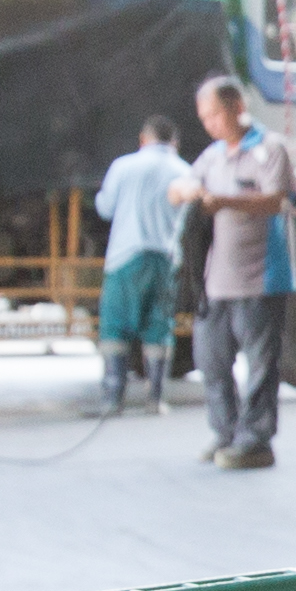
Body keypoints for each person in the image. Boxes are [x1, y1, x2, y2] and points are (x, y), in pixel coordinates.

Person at [186, 71, 296, 471]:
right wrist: (187, 192)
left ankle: (256, 440)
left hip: (261, 277)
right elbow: (184, 184)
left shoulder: (270, 149)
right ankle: (225, 432)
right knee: (212, 361)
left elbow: (274, 200)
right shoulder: (213, 156)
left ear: (238, 108)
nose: (209, 124)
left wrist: (226, 202)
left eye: (215, 115)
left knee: (261, 364)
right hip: (217, 281)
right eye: (204, 118)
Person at [90, 113, 190, 415]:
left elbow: (105, 208)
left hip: (125, 258)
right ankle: (155, 398)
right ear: (174, 142)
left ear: (143, 140)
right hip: (165, 258)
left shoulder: (124, 166)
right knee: (159, 327)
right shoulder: (184, 170)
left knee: (115, 327)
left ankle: (113, 399)